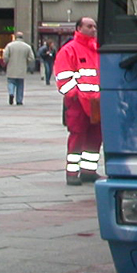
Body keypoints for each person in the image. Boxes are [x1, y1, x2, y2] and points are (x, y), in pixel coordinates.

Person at [53, 17, 101, 185]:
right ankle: (72, 173)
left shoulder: (97, 49)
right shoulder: (69, 50)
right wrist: (76, 95)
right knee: (77, 137)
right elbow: (63, 78)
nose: (93, 29)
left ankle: (89, 170)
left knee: (95, 137)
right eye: (89, 26)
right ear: (79, 28)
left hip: (96, 103)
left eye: (94, 26)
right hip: (77, 103)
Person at [2, 31, 36, 106]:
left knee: (11, 82)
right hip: (22, 68)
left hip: (11, 67)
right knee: (20, 85)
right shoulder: (27, 46)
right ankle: (19, 100)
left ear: (15, 37)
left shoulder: (9, 46)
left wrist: (7, 62)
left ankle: (11, 93)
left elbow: (5, 56)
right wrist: (26, 62)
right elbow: (31, 58)